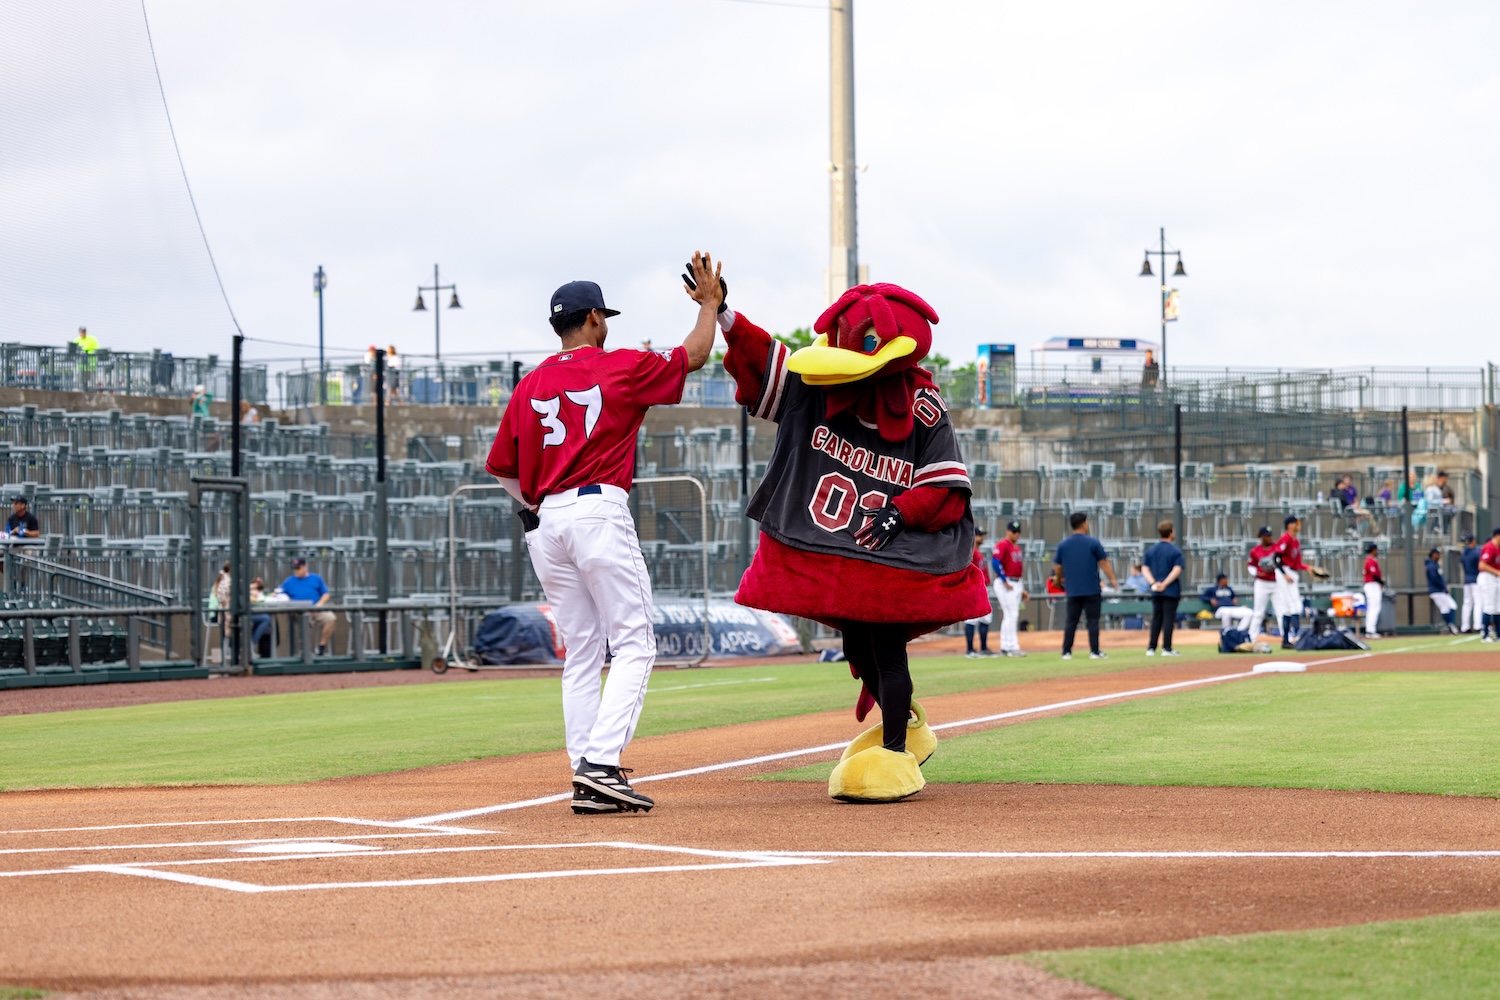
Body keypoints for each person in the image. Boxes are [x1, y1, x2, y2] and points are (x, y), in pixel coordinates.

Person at [718, 279, 988, 803]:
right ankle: (906, 725)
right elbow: (768, 358)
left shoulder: (923, 403)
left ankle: (894, 751)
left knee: (886, 646)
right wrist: (724, 313)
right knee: (858, 644)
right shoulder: (821, 387)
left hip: (892, 552)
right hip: (840, 547)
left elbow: (942, 485)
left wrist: (898, 513)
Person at [485, 255, 722, 815]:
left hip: (544, 524)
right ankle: (600, 764)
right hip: (597, 510)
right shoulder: (618, 364)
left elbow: (500, 469)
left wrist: (532, 510)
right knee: (636, 641)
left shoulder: (530, 384)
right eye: (603, 316)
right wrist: (710, 305)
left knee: (584, 649)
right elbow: (694, 354)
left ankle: (584, 770)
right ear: (593, 318)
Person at [1053, 512, 1118, 660]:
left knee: (1071, 621)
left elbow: (1058, 566)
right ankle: (1094, 651)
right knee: (1093, 621)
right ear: (1084, 523)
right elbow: (1103, 562)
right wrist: (1112, 579)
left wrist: (1058, 580)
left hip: (1073, 589)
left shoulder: (1064, 544)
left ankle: (1066, 651)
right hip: (1091, 588)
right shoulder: (1093, 542)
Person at [1273, 515, 1328, 649]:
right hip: (1284, 573)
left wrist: (1307, 568)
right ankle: (1297, 637)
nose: (1299, 525)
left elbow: (1297, 564)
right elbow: (1276, 558)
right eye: (1297, 523)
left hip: (1291, 572)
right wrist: (1284, 574)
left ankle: (1286, 641)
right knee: (1295, 606)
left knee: (1288, 609)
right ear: (1290, 525)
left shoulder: (1296, 541)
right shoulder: (1285, 538)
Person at [1141, 520, 1184, 656]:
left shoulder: (1151, 550)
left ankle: (1151, 648)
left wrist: (1154, 583)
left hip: (1155, 590)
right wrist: (1165, 583)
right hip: (1170, 590)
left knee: (1156, 618)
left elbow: (1144, 568)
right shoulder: (1175, 550)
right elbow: (1177, 569)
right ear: (1171, 533)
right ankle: (1167, 648)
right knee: (1168, 619)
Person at [278, 557, 336, 654]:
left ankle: (321, 646)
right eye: (295, 569)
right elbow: (278, 592)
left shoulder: (316, 578)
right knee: (305, 618)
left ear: (305, 567)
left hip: (316, 608)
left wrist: (319, 604)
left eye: (298, 568)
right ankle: (305, 651)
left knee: (331, 618)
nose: (296, 571)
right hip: (299, 610)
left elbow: (326, 594)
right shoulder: (289, 581)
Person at [991, 520, 1028, 657]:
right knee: (1010, 614)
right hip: (1004, 583)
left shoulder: (1017, 547)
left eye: (1018, 532)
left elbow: (1018, 569)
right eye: (1014, 531)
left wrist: (1021, 588)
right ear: (1008, 531)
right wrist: (1004, 579)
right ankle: (1010, 646)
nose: (1016, 534)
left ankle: (1007, 646)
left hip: (1016, 582)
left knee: (1012, 614)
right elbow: (995, 562)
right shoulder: (1002, 544)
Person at [962, 528, 995, 657]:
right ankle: (970, 650)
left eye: (982, 535)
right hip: (974, 587)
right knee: (971, 619)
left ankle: (983, 648)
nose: (982, 537)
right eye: (979, 535)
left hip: (983, 587)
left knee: (985, 618)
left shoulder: (978, 552)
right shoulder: (970, 553)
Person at [1247, 525, 1279, 638]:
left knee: (1281, 612)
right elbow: (1250, 566)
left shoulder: (1277, 548)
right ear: (1261, 537)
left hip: (1277, 582)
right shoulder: (1255, 551)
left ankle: (1287, 638)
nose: (1269, 537)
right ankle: (1251, 637)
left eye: (1270, 535)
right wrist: (1256, 573)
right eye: (1266, 535)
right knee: (1258, 612)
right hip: (1262, 583)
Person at [1425, 548, 1459, 635]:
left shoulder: (1435, 565)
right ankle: (1450, 625)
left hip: (1441, 591)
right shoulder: (1431, 566)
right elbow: (1435, 579)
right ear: (1433, 554)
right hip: (1437, 591)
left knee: (1452, 606)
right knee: (1445, 608)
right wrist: (1443, 587)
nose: (1439, 556)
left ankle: (1451, 625)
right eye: (1437, 554)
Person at [1479, 527, 1500, 643]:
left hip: (1496, 578)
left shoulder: (1498, 548)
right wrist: (1497, 572)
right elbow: (1482, 565)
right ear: (1497, 536)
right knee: (1489, 606)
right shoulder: (1489, 547)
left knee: (1498, 607)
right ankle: (1485, 635)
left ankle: (1498, 635)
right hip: (1487, 577)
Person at [1361, 542, 1384, 639]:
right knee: (1374, 607)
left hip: (1372, 585)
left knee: (1374, 607)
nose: (1377, 551)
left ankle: (1370, 630)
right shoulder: (1370, 560)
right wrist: (1381, 582)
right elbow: (1374, 575)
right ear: (1373, 550)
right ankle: (1370, 630)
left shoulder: (1371, 560)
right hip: (1372, 585)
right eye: (1376, 549)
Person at [1460, 534, 1481, 633]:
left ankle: (1465, 626)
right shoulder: (1476, 553)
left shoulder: (1464, 553)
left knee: (1467, 603)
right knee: (1478, 602)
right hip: (1475, 579)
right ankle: (1477, 625)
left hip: (1466, 579)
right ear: (1473, 541)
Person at [249, 577, 275, 658]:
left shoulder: (259, 595)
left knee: (268, 618)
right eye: (255, 588)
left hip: (254, 614)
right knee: (266, 619)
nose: (257, 591)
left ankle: (253, 647)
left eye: (259, 589)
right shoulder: (248, 592)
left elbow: (262, 598)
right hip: (246, 615)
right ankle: (251, 644)